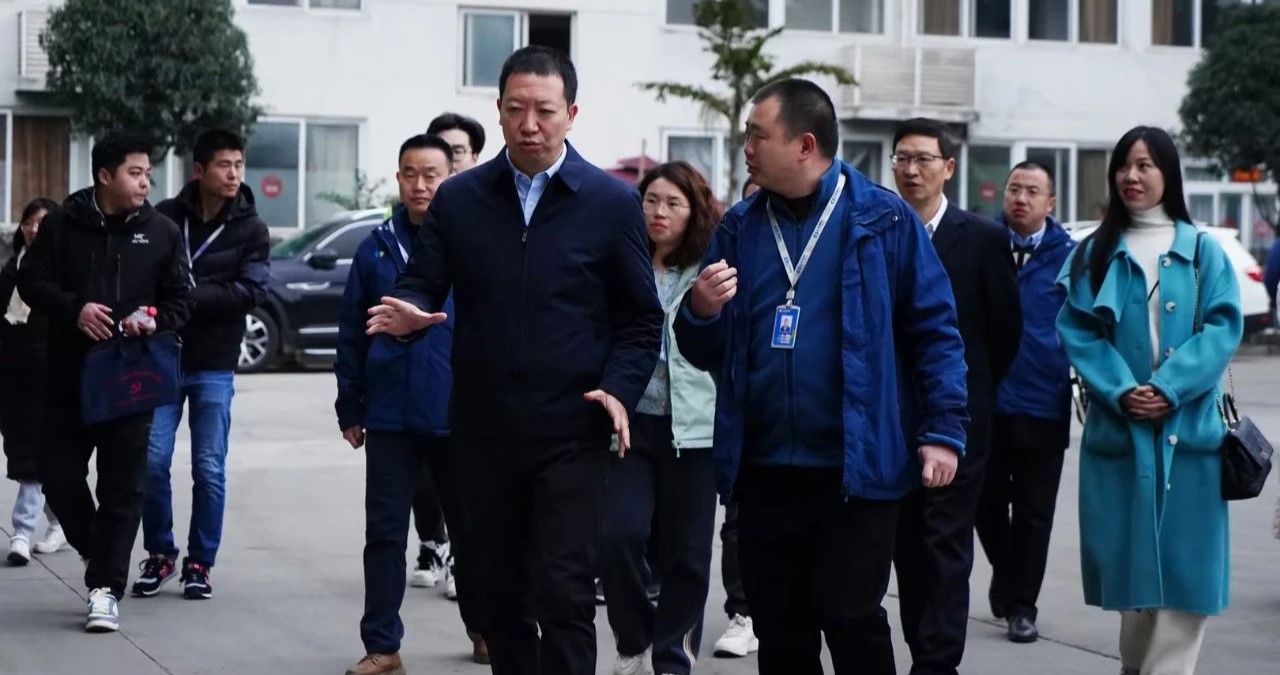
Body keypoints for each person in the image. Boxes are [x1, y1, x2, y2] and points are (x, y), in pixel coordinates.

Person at [365, 47, 663, 675]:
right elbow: (422, 281)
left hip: (572, 427)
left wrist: (619, 388)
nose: (530, 124)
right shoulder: (461, 199)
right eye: (516, 109)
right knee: (498, 593)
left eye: (545, 111)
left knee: (563, 589)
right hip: (483, 428)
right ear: (498, 111)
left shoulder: (609, 204)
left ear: (571, 115)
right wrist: (411, 313)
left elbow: (641, 318)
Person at [674, 79, 969, 675]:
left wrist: (943, 430)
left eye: (757, 136)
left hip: (854, 472)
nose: (746, 148)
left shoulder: (884, 220)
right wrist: (700, 311)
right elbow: (707, 350)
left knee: (851, 617)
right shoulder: (740, 227)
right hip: (764, 472)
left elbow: (935, 332)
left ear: (804, 145)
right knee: (781, 629)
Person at [1057, 126, 1242, 675]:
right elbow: (1079, 331)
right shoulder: (1094, 252)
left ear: (1169, 174)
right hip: (1121, 436)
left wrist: (1169, 388)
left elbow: (1222, 329)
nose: (1131, 176)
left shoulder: (1203, 251)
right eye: (1124, 165)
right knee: (1134, 591)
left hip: (1192, 440)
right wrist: (1121, 390)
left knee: (1186, 585)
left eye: (1145, 165)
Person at [18, 132, 192, 632]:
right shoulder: (62, 225)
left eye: (147, 175)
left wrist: (152, 318)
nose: (145, 183)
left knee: (122, 488)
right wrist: (75, 310)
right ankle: (99, 553)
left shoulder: (161, 232)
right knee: (57, 476)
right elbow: (31, 282)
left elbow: (182, 300)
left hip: (131, 380)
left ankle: (105, 590)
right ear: (104, 175)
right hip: (68, 377)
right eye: (135, 173)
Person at [337, 134, 487, 675]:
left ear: (451, 179)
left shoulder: (474, 243)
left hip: (458, 413)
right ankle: (383, 646)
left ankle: (484, 630)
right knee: (383, 534)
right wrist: (350, 406)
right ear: (398, 178)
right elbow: (351, 334)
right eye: (410, 174)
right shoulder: (375, 248)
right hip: (391, 414)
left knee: (471, 531)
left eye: (432, 175)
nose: (420, 185)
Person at [889, 118, 1022, 674]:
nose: (911, 170)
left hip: (960, 420)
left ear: (948, 167)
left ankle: (937, 663)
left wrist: (974, 396)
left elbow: (1005, 331)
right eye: (902, 158)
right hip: (891, 418)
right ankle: (925, 650)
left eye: (923, 159)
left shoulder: (983, 239)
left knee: (945, 544)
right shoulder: (879, 230)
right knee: (907, 547)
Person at [132, 129, 269, 601]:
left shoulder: (251, 228)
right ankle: (160, 553)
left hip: (214, 360)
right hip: (162, 355)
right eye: (224, 165)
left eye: (239, 165)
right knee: (151, 461)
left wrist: (189, 297)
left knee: (208, 467)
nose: (234, 174)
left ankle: (200, 563)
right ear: (199, 170)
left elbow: (252, 290)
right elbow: (145, 276)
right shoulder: (165, 217)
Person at [600, 161, 720, 675]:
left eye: (673, 203)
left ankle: (673, 658)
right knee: (618, 536)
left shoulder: (712, 269)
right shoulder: (622, 262)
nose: (659, 212)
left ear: (695, 211)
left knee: (687, 555)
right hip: (629, 425)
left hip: (695, 430)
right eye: (650, 200)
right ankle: (634, 639)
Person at [975, 161, 1075, 643]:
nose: (1021, 198)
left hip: (1043, 399)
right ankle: (1008, 575)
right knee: (984, 504)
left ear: (1050, 203)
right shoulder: (982, 243)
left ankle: (1022, 607)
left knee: (1035, 514)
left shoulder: (1070, 257)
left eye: (1032, 191)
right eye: (1014, 188)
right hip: (986, 400)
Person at [405, 112, 488, 594]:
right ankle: (432, 541)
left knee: (466, 475)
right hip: (422, 371)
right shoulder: (410, 227)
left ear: (473, 157)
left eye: (456, 153)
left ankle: (461, 553)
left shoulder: (486, 217)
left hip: (473, 372)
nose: (448, 162)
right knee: (424, 476)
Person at [710, 175, 761, 661]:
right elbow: (702, 343)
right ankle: (742, 613)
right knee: (738, 522)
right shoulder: (725, 254)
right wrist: (702, 309)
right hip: (743, 418)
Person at [2, 198, 64, 565]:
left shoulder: (60, 272)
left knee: (37, 455)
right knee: (23, 453)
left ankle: (21, 532)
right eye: (29, 221)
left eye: (42, 222)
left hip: (49, 373)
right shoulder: (12, 268)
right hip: (13, 375)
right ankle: (60, 521)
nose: (34, 229)